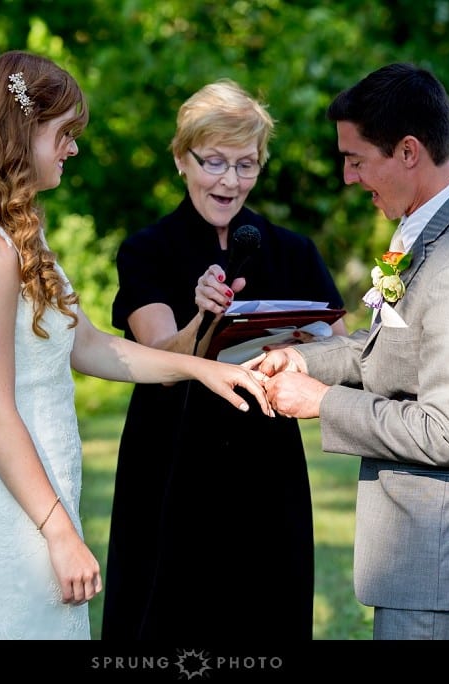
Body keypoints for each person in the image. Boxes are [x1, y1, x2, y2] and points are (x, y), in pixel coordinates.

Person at [0, 51, 272, 640]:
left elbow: (94, 348)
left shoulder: (19, 234)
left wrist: (201, 371)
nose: (73, 148)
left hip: (40, 483)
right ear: (21, 134)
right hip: (7, 502)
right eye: (64, 133)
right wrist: (57, 530)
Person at [246, 63, 449, 640]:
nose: (349, 177)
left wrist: (322, 402)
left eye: (356, 159)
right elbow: (389, 346)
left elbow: (446, 431)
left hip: (441, 559)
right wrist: (304, 360)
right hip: (425, 556)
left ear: (408, 151)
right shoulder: (431, 226)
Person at [101, 79, 347, 641]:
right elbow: (157, 358)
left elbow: (342, 348)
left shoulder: (292, 249)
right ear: (181, 160)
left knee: (268, 615)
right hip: (170, 458)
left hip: (266, 457)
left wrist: (299, 356)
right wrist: (201, 320)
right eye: (213, 162)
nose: (230, 181)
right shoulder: (148, 249)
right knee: (166, 617)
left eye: (246, 164)